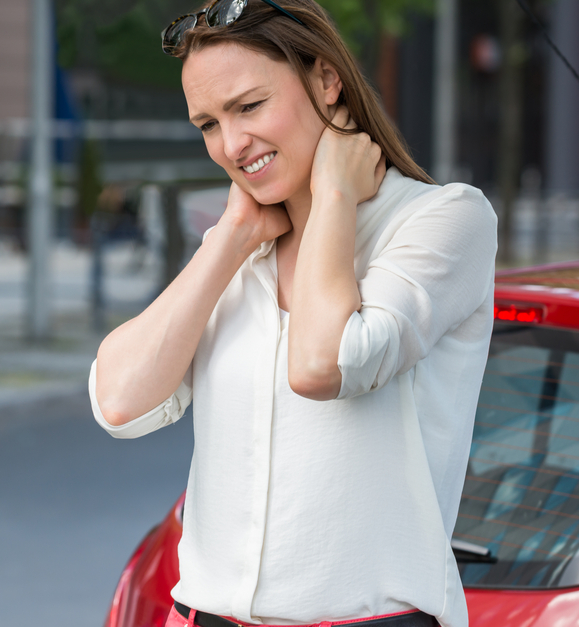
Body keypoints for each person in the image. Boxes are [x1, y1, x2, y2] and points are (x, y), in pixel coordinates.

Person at [90, 1, 496, 626]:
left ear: (326, 79)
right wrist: (231, 236)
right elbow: (119, 404)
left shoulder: (442, 220)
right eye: (208, 123)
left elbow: (322, 364)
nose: (231, 145)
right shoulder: (240, 249)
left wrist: (334, 193)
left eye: (249, 106)